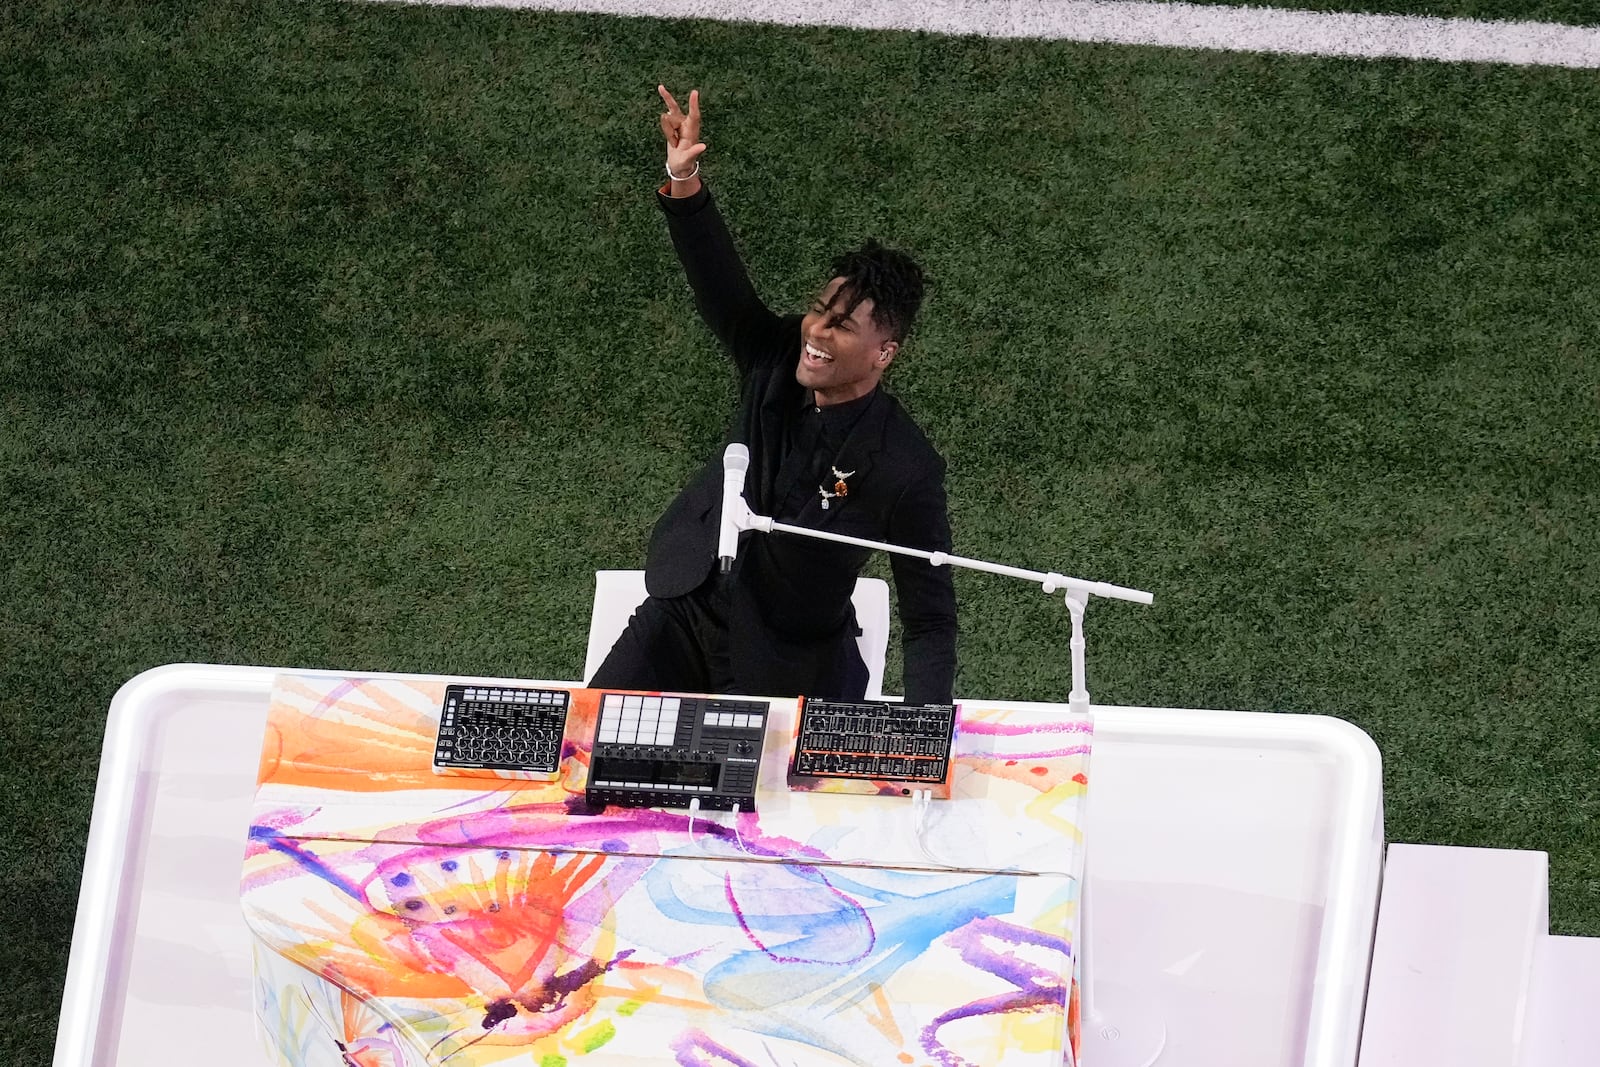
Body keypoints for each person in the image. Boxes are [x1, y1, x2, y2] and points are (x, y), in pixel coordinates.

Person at [589, 85, 957, 705]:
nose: (816, 331)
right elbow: (720, 286)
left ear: (883, 353)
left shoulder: (904, 466)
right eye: (818, 311)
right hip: (684, 611)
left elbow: (930, 617)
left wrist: (924, 731)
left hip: (786, 660)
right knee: (584, 746)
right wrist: (685, 181)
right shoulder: (775, 355)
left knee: (748, 800)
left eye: (841, 326)